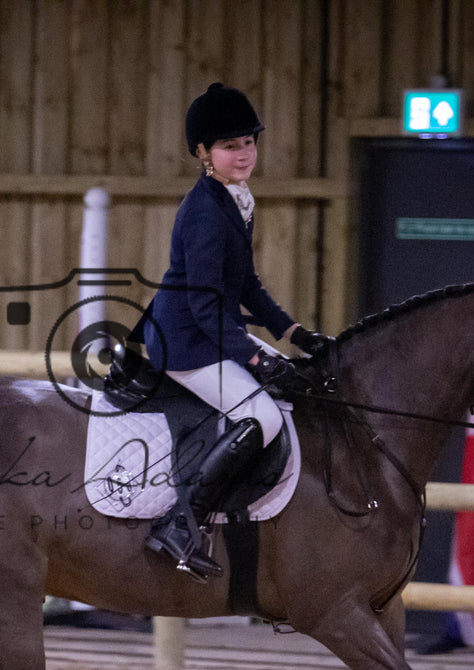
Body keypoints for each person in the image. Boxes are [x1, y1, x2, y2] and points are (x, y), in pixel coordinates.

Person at [137, 83, 332, 580]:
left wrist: (294, 333)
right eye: (230, 146)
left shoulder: (236, 197)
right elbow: (203, 305)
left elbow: (244, 283)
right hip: (186, 340)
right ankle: (180, 522)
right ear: (203, 153)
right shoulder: (204, 212)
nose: (244, 154)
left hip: (212, 328)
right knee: (262, 417)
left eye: (248, 142)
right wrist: (252, 357)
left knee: (299, 383)